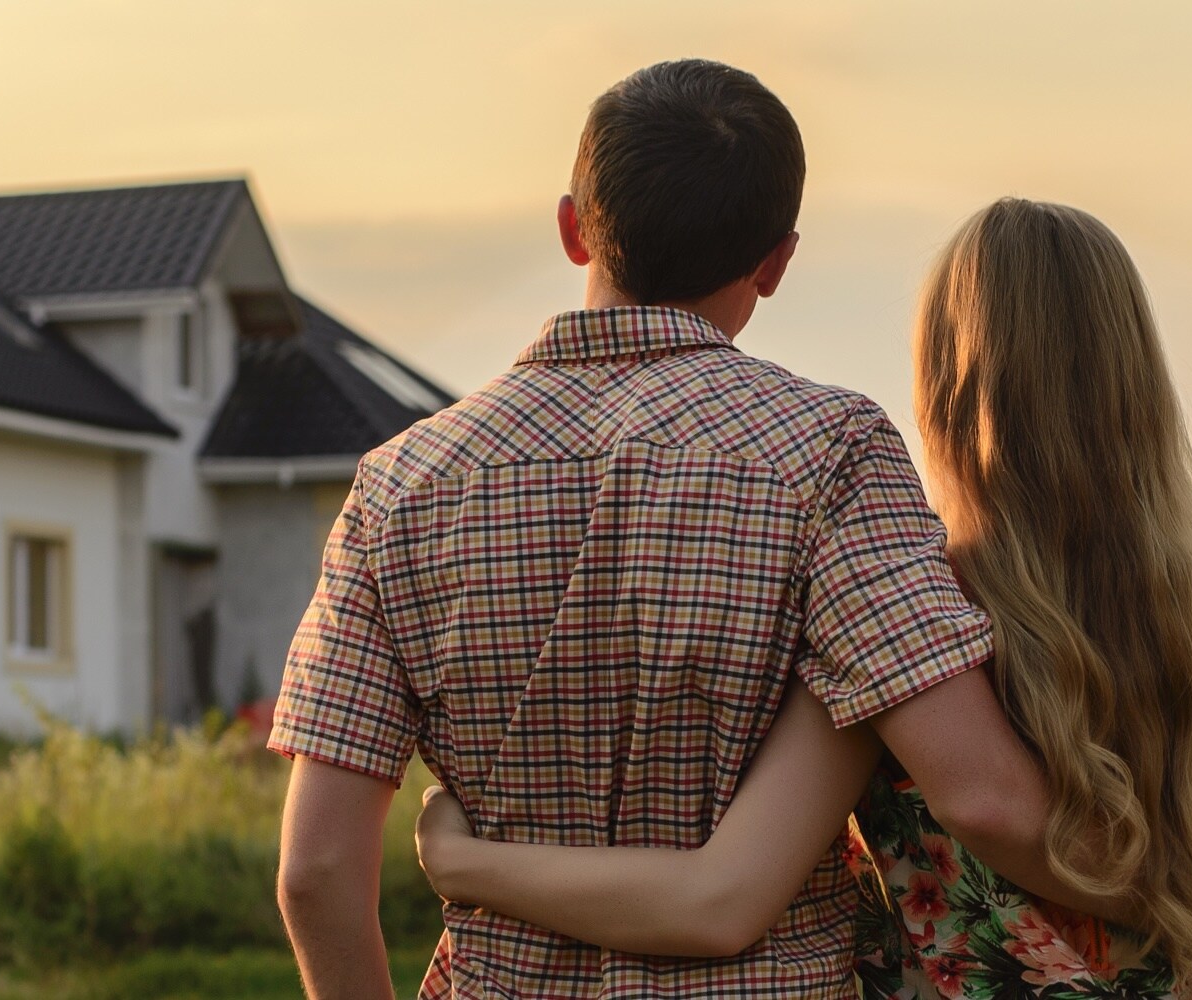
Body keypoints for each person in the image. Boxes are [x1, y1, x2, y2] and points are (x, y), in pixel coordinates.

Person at [269, 60, 1122, 1000]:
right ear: (776, 261)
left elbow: (315, 875)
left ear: (572, 228)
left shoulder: (399, 487)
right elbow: (988, 799)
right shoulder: (831, 452)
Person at [413, 198, 1192, 999]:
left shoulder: (902, 603)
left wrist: (468, 863)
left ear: (947, 382)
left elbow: (719, 899)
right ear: (1138, 372)